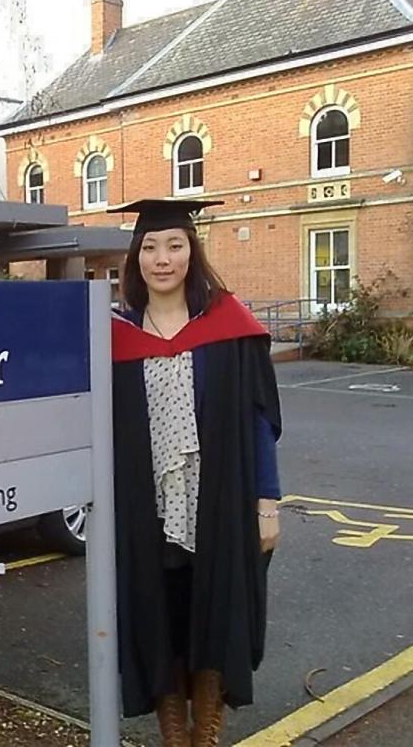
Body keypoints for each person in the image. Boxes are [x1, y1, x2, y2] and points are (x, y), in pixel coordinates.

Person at [108, 198, 282, 747]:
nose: (162, 259)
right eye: (150, 247)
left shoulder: (228, 327)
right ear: (136, 258)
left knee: (218, 609)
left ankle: (205, 731)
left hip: (218, 499)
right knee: (160, 611)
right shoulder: (114, 335)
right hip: (147, 506)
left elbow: (258, 419)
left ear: (192, 252)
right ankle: (173, 734)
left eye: (174, 245)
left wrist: (267, 503)